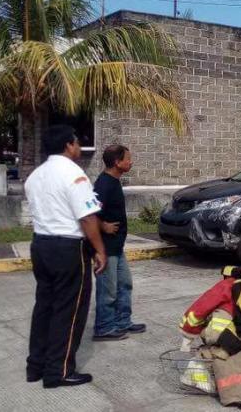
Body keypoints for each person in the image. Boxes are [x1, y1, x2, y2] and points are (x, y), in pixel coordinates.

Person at [24, 125, 107, 388]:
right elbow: (87, 217)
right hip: (68, 247)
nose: (79, 147)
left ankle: (35, 366)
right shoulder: (74, 174)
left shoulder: (35, 176)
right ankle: (58, 370)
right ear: (68, 145)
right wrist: (99, 250)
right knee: (69, 310)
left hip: (41, 244)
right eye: (76, 142)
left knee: (44, 306)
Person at [93, 145, 146, 341]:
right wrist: (103, 225)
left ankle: (123, 322)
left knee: (124, 284)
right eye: (128, 159)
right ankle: (104, 327)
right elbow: (88, 212)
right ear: (117, 162)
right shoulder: (103, 184)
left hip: (117, 246)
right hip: (106, 248)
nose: (131, 162)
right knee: (108, 290)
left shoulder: (114, 181)